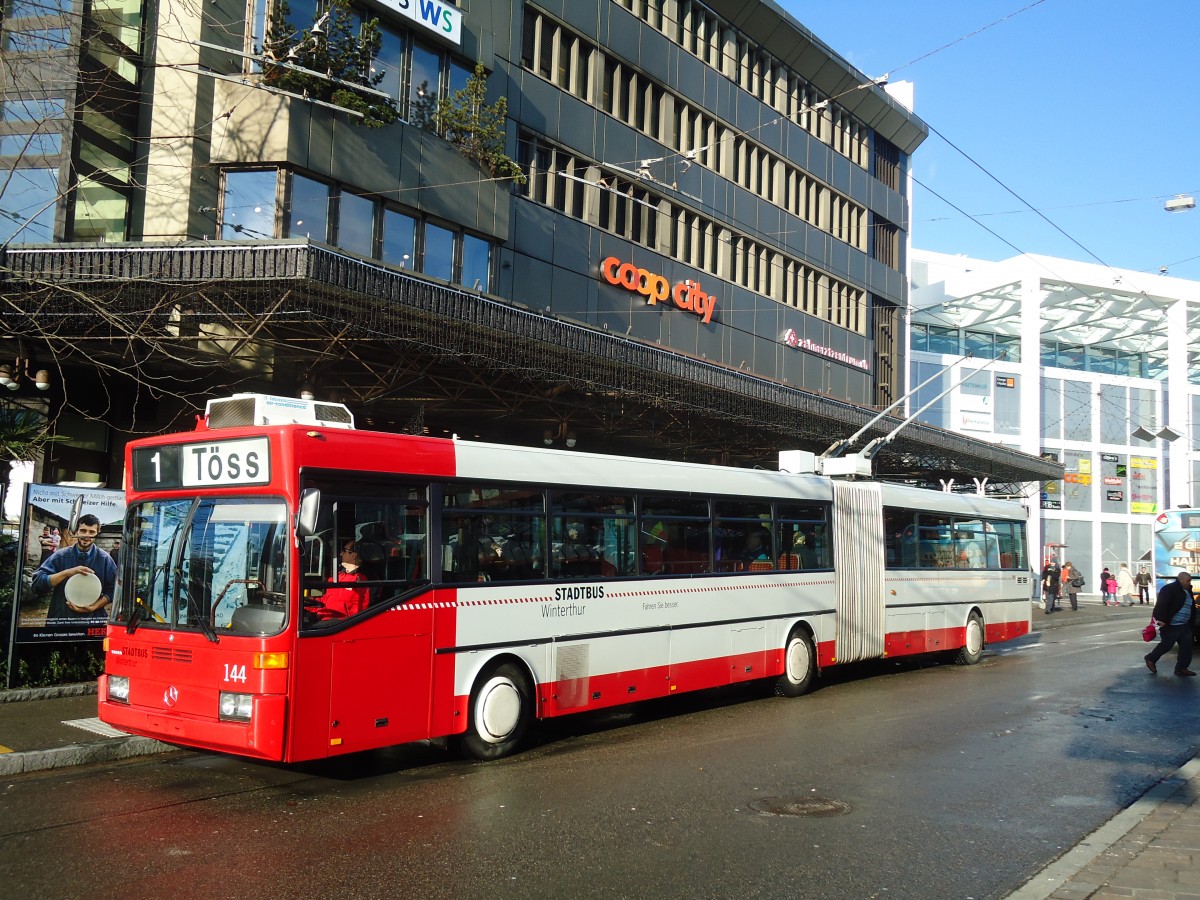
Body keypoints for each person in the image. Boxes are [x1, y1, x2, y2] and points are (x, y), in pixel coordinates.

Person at [31, 513, 116, 619]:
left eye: (92, 532)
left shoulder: (105, 559)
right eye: (83, 530)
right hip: (61, 620)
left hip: (92, 621)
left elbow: (114, 590)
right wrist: (66, 573)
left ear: (97, 533)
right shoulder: (60, 556)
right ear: (76, 531)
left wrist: (95, 606)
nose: (87, 535)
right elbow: (37, 584)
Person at [1144, 570, 1196, 677]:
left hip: (1184, 624)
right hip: (1171, 624)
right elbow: (1161, 605)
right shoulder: (1169, 589)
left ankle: (1181, 668)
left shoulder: (1188, 590)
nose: (1189, 583)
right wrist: (1160, 619)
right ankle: (1151, 658)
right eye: (1188, 581)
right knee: (1167, 645)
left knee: (1187, 646)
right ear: (1181, 580)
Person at [312, 541, 371, 621]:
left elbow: (361, 610)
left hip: (341, 624)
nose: (340, 554)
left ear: (354, 555)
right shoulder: (337, 577)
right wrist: (306, 602)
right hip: (325, 619)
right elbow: (326, 601)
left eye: (344, 550)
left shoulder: (362, 579)